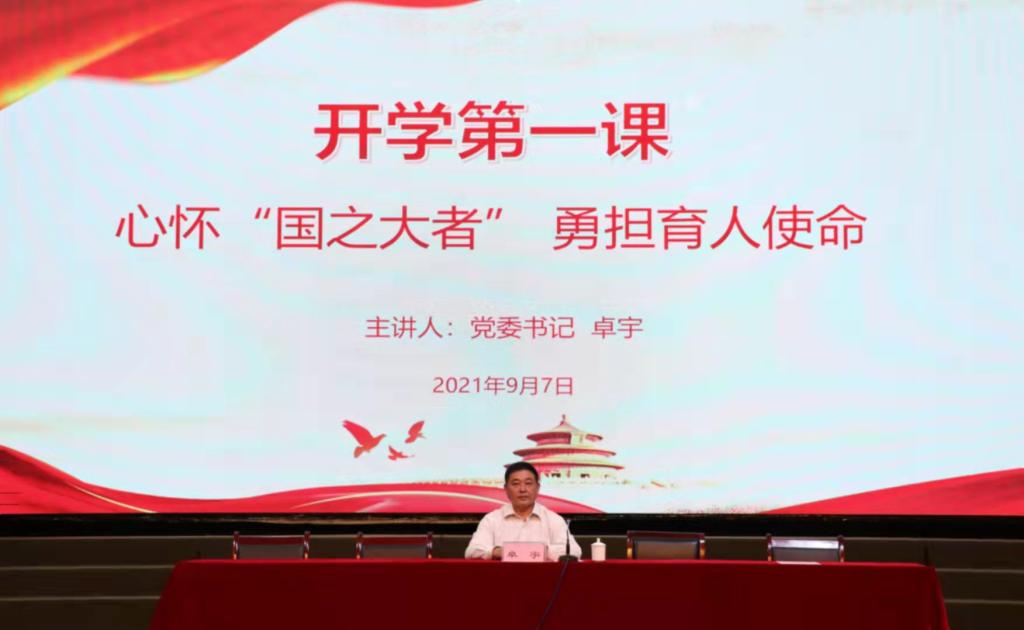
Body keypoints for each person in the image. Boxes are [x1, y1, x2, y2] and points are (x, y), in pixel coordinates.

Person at [465, 461, 582, 561]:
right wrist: (500, 551)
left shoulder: (553, 519)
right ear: (506, 489)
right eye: (516, 484)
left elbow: (575, 551)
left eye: (528, 483)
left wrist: (538, 551)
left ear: (537, 488)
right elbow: (472, 551)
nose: (522, 489)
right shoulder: (491, 519)